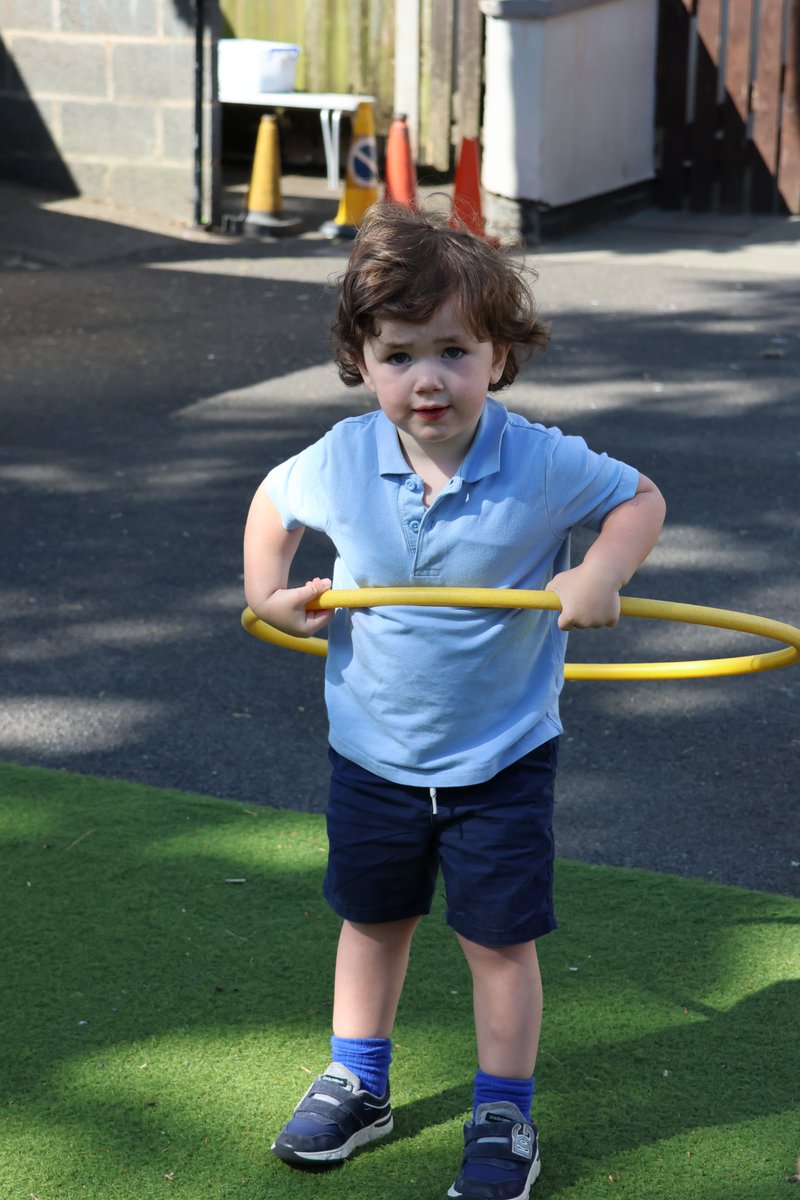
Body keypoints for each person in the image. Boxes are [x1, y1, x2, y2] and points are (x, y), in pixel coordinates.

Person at [243, 201, 666, 1199]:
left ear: (497, 356)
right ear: (361, 362)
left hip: (499, 757)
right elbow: (272, 501)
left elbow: (638, 498)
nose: (425, 379)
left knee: (498, 942)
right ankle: (358, 1081)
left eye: (452, 352)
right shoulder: (342, 458)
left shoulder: (541, 462)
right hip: (373, 754)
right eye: (398, 356)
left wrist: (598, 572)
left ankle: (503, 1112)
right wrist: (268, 594)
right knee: (372, 921)